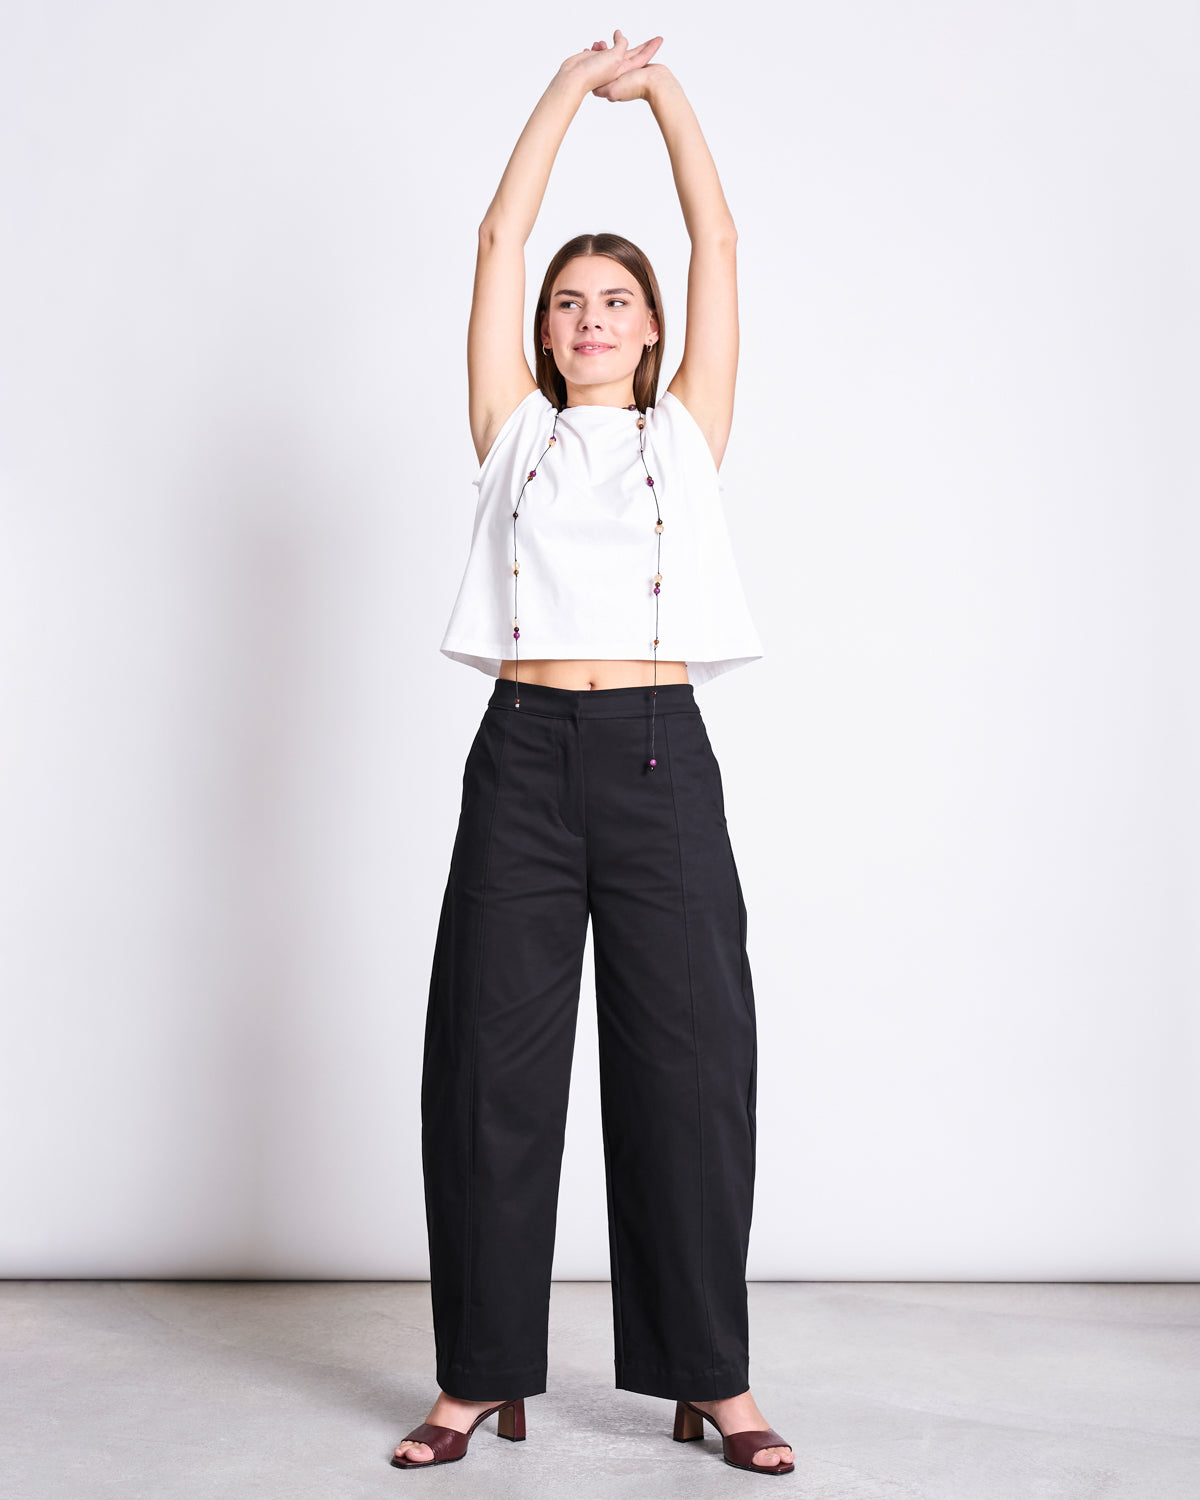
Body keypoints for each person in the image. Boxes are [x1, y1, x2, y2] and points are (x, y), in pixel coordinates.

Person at [391, 30, 795, 1478]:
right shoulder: (512, 437)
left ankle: (713, 1382)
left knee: (690, 1068)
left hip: (653, 760)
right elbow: (500, 230)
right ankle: (474, 1376)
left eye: (616, 300)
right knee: (486, 1069)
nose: (590, 316)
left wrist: (665, 92)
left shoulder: (688, 437)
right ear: (546, 333)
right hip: (520, 753)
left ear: (655, 326)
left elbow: (720, 233)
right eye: (571, 304)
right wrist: (565, 91)